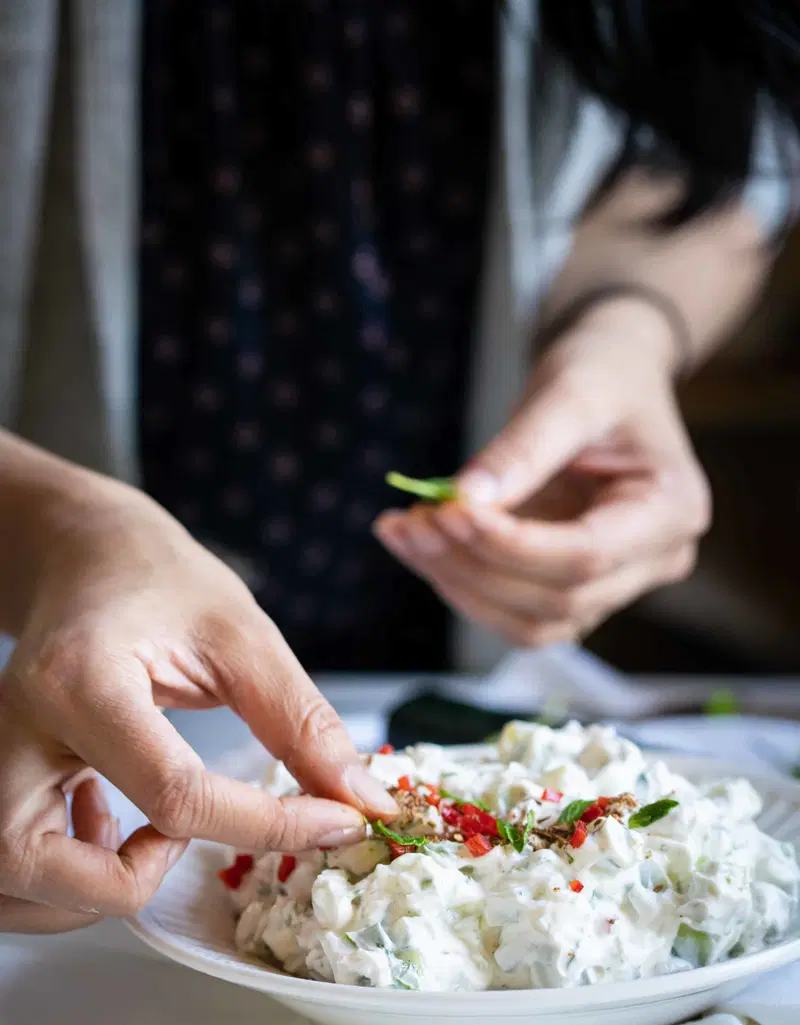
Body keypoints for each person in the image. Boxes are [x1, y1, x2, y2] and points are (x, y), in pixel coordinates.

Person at [0, 0, 797, 933]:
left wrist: (625, 329)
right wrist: (52, 524)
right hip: (43, 725)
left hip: (459, 681)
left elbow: (719, 138)